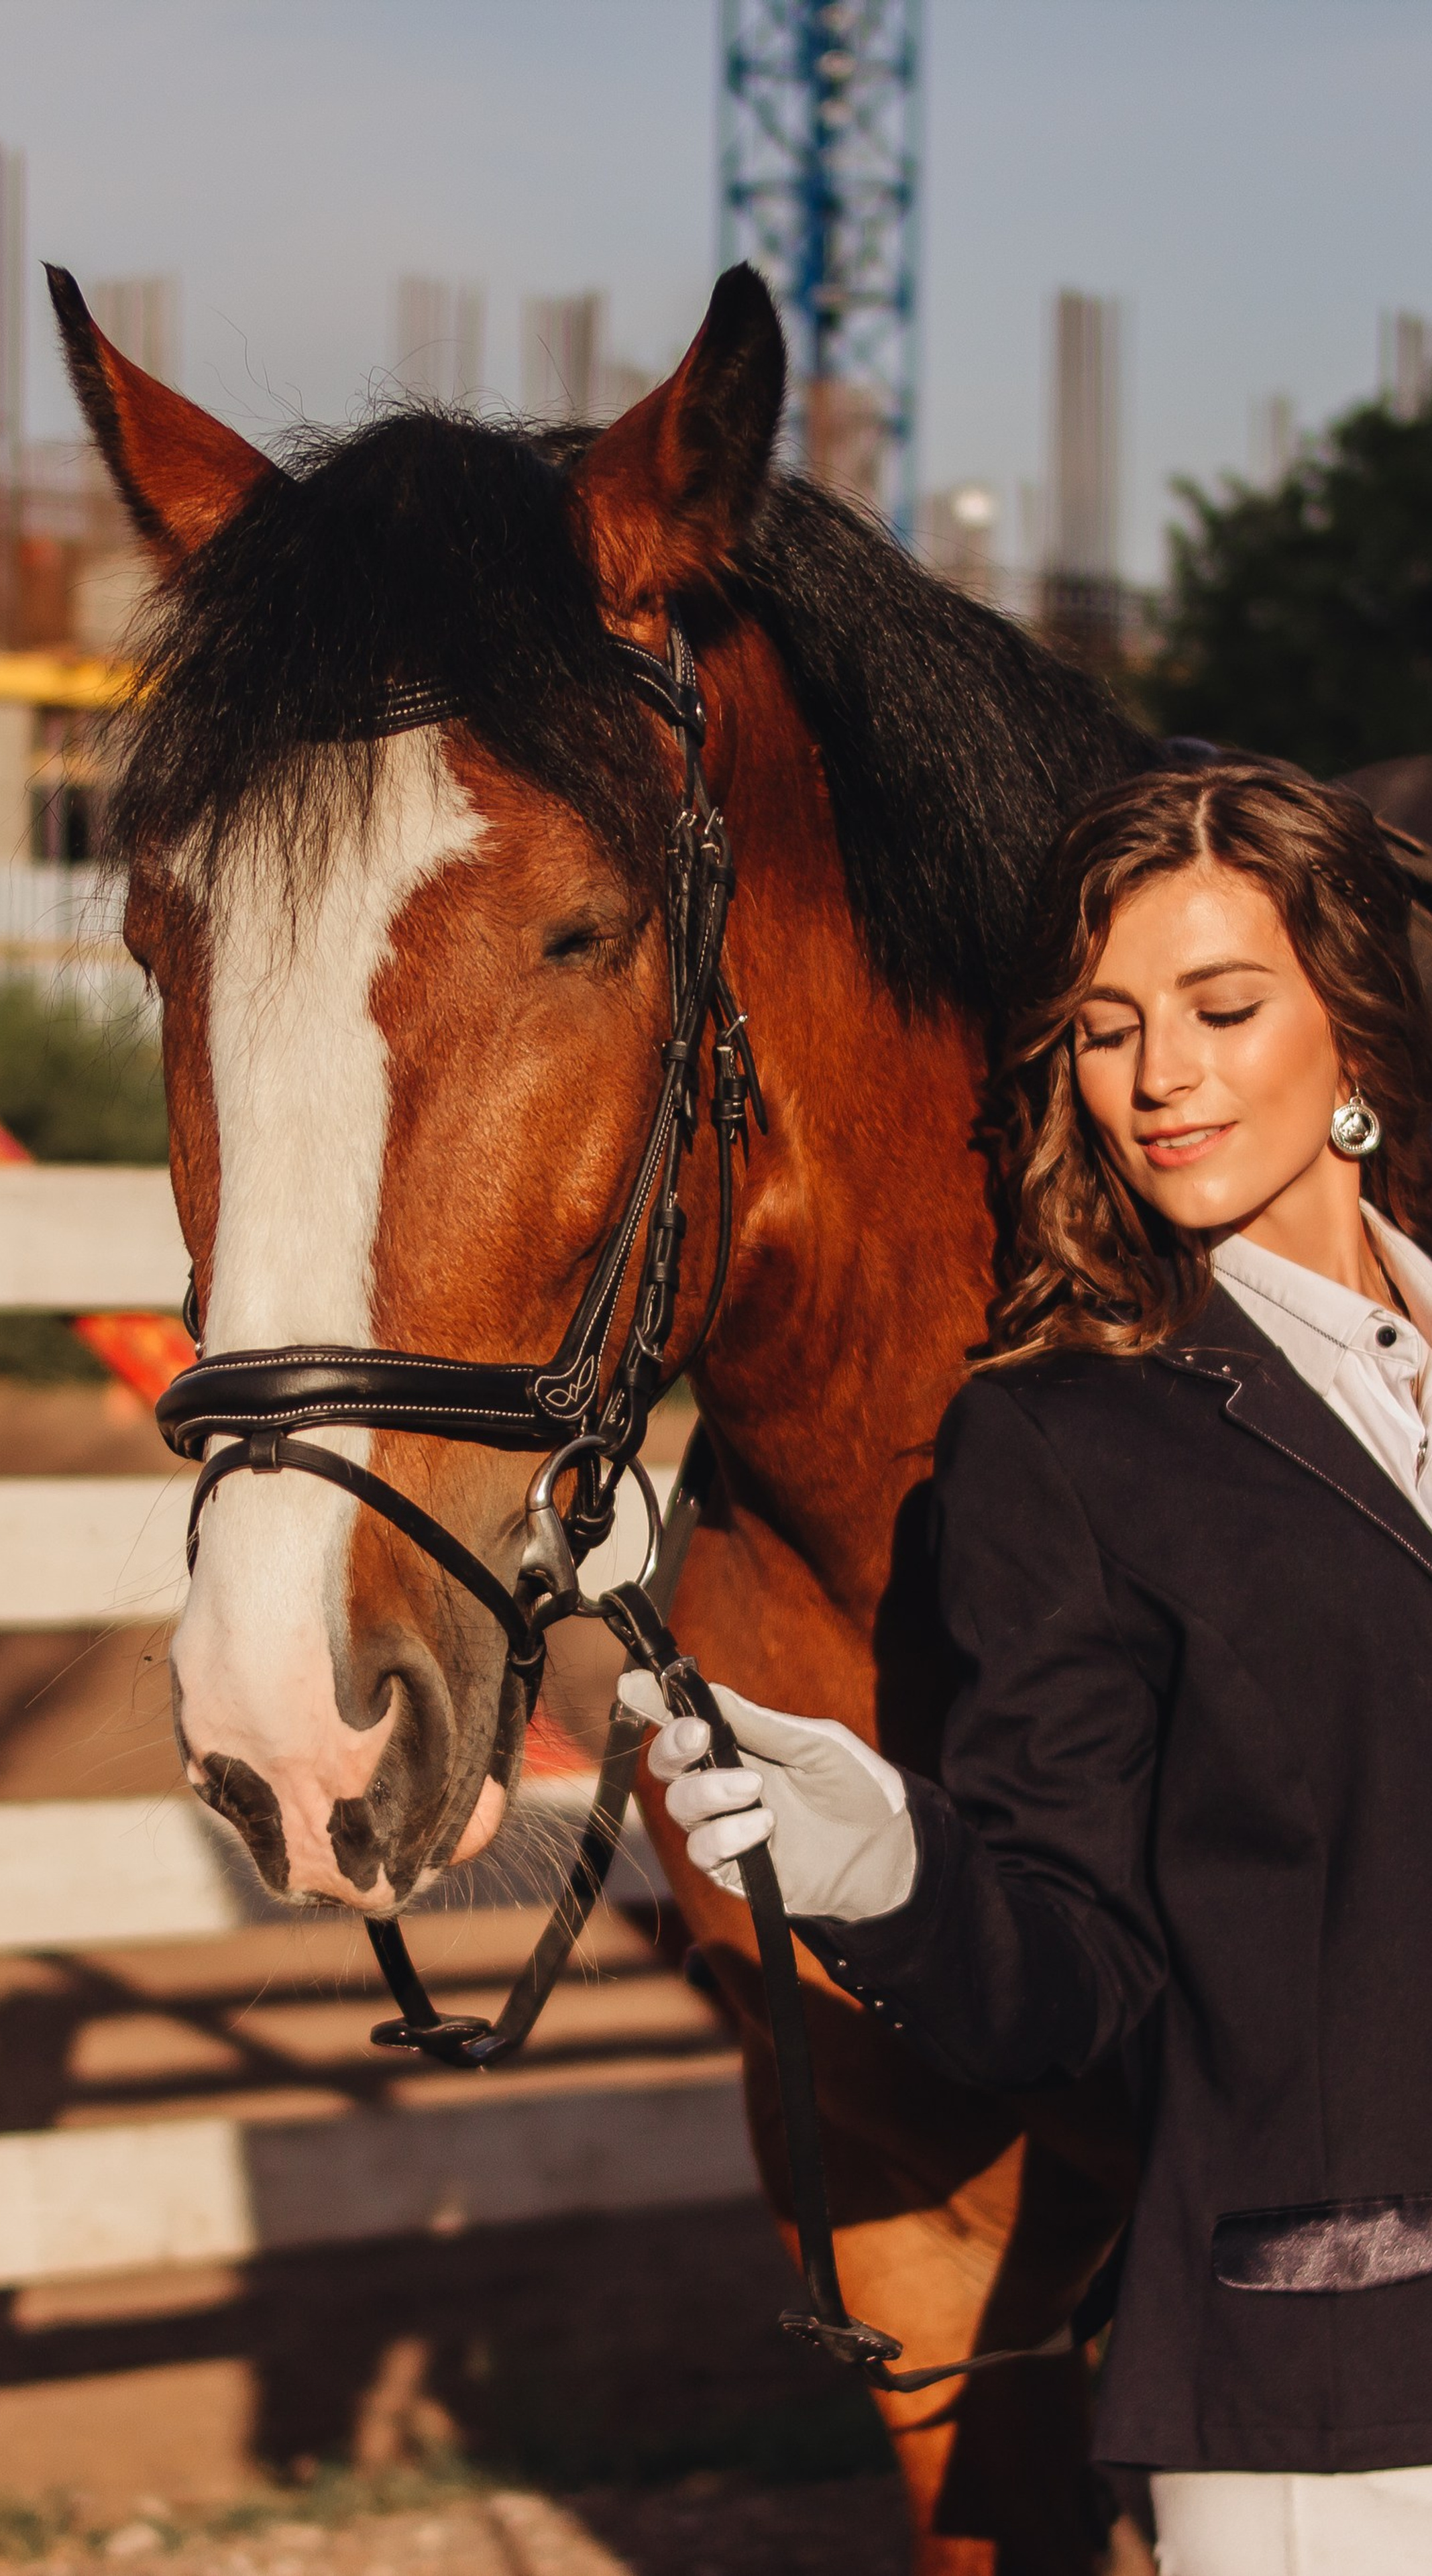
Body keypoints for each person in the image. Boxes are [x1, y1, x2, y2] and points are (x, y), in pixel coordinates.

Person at [620, 766, 1432, 2576]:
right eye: (1106, 1029)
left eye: (1225, 1012)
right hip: (1344, 2384)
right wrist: (892, 1871)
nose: (1163, 1078)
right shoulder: (1065, 1446)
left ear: (1350, 1020)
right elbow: (1082, 1985)